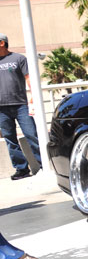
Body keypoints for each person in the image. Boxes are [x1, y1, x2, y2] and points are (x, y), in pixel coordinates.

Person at [0, 33, 41, 180]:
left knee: (32, 135)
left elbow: (29, 78)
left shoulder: (19, 58)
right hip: (1, 108)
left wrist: (33, 97)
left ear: (2, 43)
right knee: (10, 139)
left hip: (21, 105)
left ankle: (44, 165)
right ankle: (21, 169)